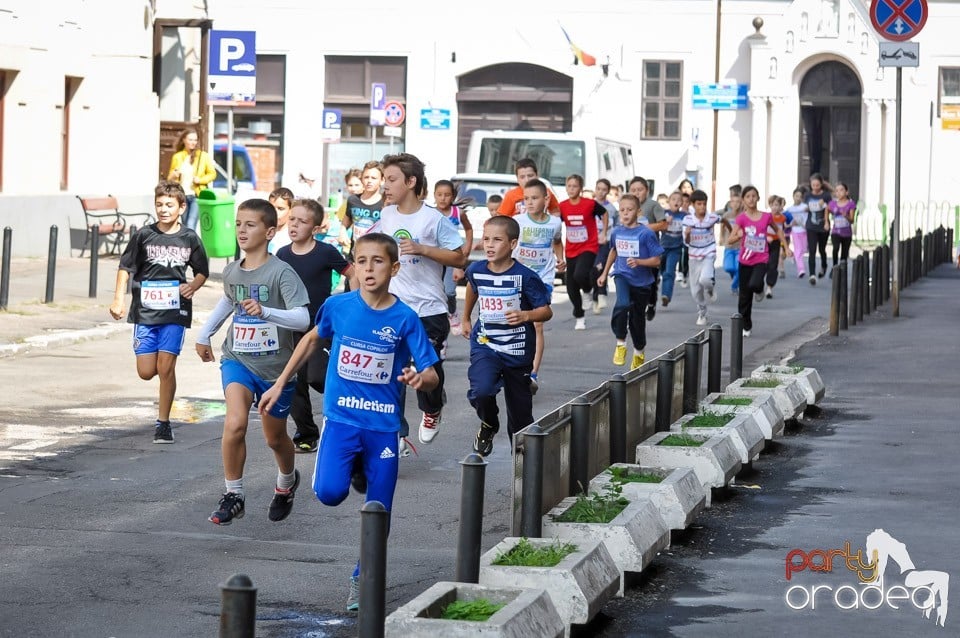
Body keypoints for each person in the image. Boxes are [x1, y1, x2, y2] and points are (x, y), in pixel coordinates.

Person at [258, 232, 440, 613]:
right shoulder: (338, 306)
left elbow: (431, 371)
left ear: (394, 267)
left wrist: (420, 379)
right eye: (361, 260)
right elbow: (310, 339)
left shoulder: (405, 319)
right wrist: (280, 382)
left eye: (377, 261)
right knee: (328, 493)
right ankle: (353, 466)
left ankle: (363, 577)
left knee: (379, 508)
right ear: (354, 266)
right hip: (341, 421)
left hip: (383, 428)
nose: (369, 268)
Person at [194, 198, 311, 526]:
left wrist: (267, 311)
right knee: (235, 423)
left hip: (277, 370)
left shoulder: (281, 273)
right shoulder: (232, 270)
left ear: (270, 231)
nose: (242, 230)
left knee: (275, 438)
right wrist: (205, 334)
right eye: (239, 224)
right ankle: (234, 494)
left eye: (251, 224)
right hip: (238, 360)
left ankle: (286, 482)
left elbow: (303, 319)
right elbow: (226, 303)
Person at [370, 153, 466, 450]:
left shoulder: (433, 219)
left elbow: (459, 255)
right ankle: (396, 432)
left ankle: (432, 409)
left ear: (411, 182)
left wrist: (422, 249)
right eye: (384, 179)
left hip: (429, 309)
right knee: (392, 371)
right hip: (393, 307)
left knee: (425, 369)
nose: (385, 185)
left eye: (391, 179)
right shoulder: (386, 215)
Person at [109, 181, 209, 443]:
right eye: (159, 205)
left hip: (175, 311)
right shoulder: (143, 235)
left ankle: (163, 423)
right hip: (145, 310)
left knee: (166, 367)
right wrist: (118, 299)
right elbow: (125, 267)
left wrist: (193, 286)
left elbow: (202, 271)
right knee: (146, 371)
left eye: (169, 205)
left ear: (181, 207)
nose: (163, 210)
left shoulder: (189, 238)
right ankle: (162, 382)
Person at [461, 216, 553, 457]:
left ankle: (523, 469)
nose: (489, 244)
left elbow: (546, 310)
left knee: (521, 416)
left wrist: (525, 315)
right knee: (481, 390)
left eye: (497, 240)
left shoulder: (526, 276)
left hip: (518, 351)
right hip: (486, 345)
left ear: (512, 244)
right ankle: (489, 423)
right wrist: (466, 317)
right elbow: (472, 286)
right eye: (486, 238)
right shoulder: (476, 269)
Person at [275, 199, 353, 453]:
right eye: (292, 219)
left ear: (316, 227)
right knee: (295, 383)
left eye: (303, 221)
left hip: (320, 329)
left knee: (317, 378)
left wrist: (353, 303)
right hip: (290, 329)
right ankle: (306, 434)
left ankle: (345, 414)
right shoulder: (282, 255)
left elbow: (353, 274)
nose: (295, 225)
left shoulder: (326, 252)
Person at [597, 194, 664, 369]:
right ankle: (620, 343)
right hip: (622, 275)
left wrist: (639, 262)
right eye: (622, 210)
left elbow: (657, 260)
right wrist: (604, 274)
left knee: (637, 320)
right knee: (622, 304)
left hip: (642, 283)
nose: (625, 213)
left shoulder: (646, 233)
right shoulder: (617, 231)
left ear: (638, 211)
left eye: (630, 209)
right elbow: (613, 251)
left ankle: (639, 351)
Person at [512, 178, 564, 394]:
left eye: (534, 198)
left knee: (537, 324)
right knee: (516, 322)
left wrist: (561, 258)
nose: (530, 203)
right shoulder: (518, 221)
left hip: (542, 279)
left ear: (546, 199)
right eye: (526, 199)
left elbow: (557, 242)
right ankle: (516, 368)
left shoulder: (554, 223)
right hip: (518, 277)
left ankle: (533, 373)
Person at [725, 185, 791, 337]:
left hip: (761, 258)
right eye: (748, 196)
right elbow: (730, 239)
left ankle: (760, 289)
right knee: (744, 296)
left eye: (754, 196)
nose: (751, 199)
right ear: (743, 200)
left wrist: (786, 247)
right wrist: (740, 234)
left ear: (758, 198)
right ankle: (746, 325)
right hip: (745, 260)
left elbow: (779, 230)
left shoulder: (766, 217)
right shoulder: (741, 218)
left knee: (754, 284)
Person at [560, 174, 608, 330]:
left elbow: (604, 213)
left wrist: (603, 232)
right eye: (569, 186)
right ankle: (579, 316)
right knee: (571, 286)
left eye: (574, 186)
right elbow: (554, 222)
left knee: (580, 274)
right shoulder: (563, 206)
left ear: (580, 188)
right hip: (571, 248)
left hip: (588, 246)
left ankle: (587, 289)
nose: (571, 189)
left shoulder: (589, 204)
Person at [433, 179, 473, 332]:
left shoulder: (458, 213)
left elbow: (468, 230)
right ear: (434, 195)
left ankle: (452, 312)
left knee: (449, 292)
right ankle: (439, 327)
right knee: (436, 292)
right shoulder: (430, 212)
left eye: (447, 195)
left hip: (452, 257)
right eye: (440, 195)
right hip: (435, 257)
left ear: (453, 196)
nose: (443, 198)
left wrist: (466, 251)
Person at [627, 176, 668, 321]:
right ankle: (633, 312)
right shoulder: (627, 205)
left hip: (650, 251)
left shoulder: (652, 205)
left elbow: (663, 224)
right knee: (632, 283)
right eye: (633, 190)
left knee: (650, 282)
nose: (636, 193)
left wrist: (643, 228)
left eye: (640, 190)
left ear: (647, 191)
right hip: (632, 251)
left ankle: (651, 303)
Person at [682, 189, 721, 326]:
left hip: (708, 254)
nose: (702, 207)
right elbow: (686, 242)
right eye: (699, 204)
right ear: (693, 204)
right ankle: (702, 311)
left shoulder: (711, 218)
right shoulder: (687, 220)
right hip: (693, 257)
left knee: (706, 279)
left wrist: (731, 231)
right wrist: (687, 234)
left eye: (704, 204)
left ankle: (710, 288)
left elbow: (723, 219)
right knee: (695, 291)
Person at [167, 128, 217, 231]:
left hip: (196, 195)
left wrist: (200, 180)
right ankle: (188, 246)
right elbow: (169, 178)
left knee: (191, 223)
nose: (193, 142)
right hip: (181, 196)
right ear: (184, 140)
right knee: (185, 224)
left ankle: (191, 246)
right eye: (190, 139)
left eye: (195, 140)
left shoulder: (203, 156)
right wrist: (174, 175)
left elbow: (212, 174)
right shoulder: (178, 157)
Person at [496, 158, 561, 217]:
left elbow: (556, 211)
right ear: (517, 179)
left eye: (530, 175)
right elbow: (501, 217)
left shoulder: (546, 192)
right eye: (522, 177)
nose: (527, 180)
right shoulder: (511, 195)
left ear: (537, 175)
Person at [591, 178, 618, 311]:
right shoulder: (590, 205)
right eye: (598, 189)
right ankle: (595, 296)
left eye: (604, 190)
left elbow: (617, 225)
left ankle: (602, 294)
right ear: (595, 189)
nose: (601, 192)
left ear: (608, 191)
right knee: (593, 270)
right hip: (591, 243)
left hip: (605, 242)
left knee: (601, 267)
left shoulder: (611, 208)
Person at [659, 191, 686, 308]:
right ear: (668, 201)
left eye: (679, 200)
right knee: (661, 271)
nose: (676, 202)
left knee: (669, 272)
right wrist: (665, 223)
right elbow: (660, 229)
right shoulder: (663, 214)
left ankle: (666, 295)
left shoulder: (684, 216)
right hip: (662, 247)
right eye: (673, 199)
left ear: (682, 203)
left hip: (676, 248)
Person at [805, 173, 832, 284]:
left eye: (817, 185)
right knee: (812, 250)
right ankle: (812, 275)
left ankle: (824, 266)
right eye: (813, 185)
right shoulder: (807, 195)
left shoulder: (826, 195)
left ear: (821, 184)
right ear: (810, 185)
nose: (815, 187)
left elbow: (828, 209)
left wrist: (826, 222)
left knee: (822, 249)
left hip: (822, 226)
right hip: (811, 226)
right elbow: (805, 207)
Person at [764, 195, 792, 299]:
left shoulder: (783, 217)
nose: (775, 207)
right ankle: (759, 286)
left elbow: (783, 229)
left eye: (777, 205)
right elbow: (761, 229)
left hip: (776, 242)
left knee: (773, 264)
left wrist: (786, 246)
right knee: (764, 264)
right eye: (773, 205)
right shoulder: (766, 216)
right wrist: (766, 237)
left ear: (781, 206)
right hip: (765, 242)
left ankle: (769, 287)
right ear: (770, 205)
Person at [719, 184, 743, 294]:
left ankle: (734, 285)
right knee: (729, 268)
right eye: (733, 202)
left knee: (739, 267)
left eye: (738, 202)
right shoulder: (727, 215)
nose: (736, 204)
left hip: (740, 246)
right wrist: (721, 237)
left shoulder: (743, 215)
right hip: (729, 246)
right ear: (730, 203)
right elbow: (723, 226)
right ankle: (735, 278)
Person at [829, 182, 855, 269]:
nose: (839, 193)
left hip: (847, 233)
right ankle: (835, 267)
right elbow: (827, 209)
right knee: (835, 248)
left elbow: (852, 220)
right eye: (836, 191)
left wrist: (846, 216)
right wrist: (826, 221)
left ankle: (842, 269)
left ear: (846, 192)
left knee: (844, 252)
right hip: (836, 232)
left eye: (841, 190)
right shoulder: (833, 203)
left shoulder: (850, 204)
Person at [785, 188, 809, 278]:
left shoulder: (804, 207)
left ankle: (795, 257)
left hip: (804, 230)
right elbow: (786, 220)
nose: (798, 198)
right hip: (795, 231)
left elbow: (810, 211)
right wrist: (790, 224)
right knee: (798, 250)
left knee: (803, 250)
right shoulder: (789, 209)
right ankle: (801, 269)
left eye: (800, 196)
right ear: (793, 197)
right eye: (796, 196)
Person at [268, 187, 296, 253]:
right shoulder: (262, 232)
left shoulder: (294, 237)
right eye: (271, 208)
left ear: (291, 210)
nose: (275, 213)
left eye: (280, 209)